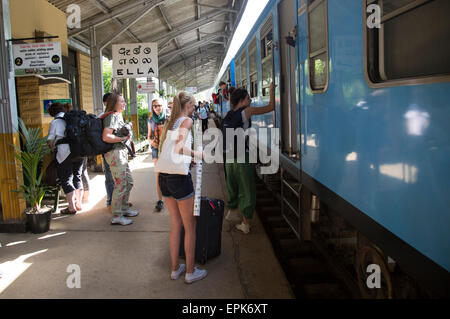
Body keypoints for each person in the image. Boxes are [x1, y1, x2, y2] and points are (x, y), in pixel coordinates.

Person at [158, 91, 207, 284]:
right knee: (190, 227)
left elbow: (169, 150)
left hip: (164, 177)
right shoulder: (186, 121)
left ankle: (174, 269)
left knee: (176, 224)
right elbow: (179, 148)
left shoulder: (170, 123)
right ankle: (190, 271)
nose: (194, 108)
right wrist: (197, 154)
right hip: (179, 178)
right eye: (193, 105)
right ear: (188, 106)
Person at [224, 83, 275, 234]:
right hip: (241, 157)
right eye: (248, 98)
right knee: (247, 188)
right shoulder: (247, 111)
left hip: (228, 158)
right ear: (241, 101)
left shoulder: (228, 114)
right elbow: (271, 107)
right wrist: (271, 91)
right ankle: (245, 223)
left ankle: (231, 212)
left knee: (232, 185)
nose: (251, 99)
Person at [102, 93, 139, 226]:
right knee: (120, 185)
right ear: (114, 103)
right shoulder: (112, 116)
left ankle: (124, 208)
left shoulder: (117, 116)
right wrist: (122, 139)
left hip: (120, 153)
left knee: (128, 182)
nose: (124, 104)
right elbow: (106, 137)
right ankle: (117, 215)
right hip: (115, 153)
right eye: (122, 102)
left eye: (124, 101)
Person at [47, 103, 84, 214]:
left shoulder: (55, 122)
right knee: (77, 176)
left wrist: (52, 148)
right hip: (79, 150)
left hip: (64, 153)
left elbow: (50, 140)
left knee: (66, 179)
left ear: (53, 112)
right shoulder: (73, 118)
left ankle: (71, 207)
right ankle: (79, 204)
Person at [148, 98, 166, 212]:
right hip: (155, 148)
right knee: (158, 174)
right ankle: (160, 200)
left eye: (159, 105)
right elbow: (148, 136)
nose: (157, 108)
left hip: (167, 148)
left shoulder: (168, 118)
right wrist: (151, 142)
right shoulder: (150, 120)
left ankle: (172, 198)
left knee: (169, 173)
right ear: (152, 108)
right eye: (155, 106)